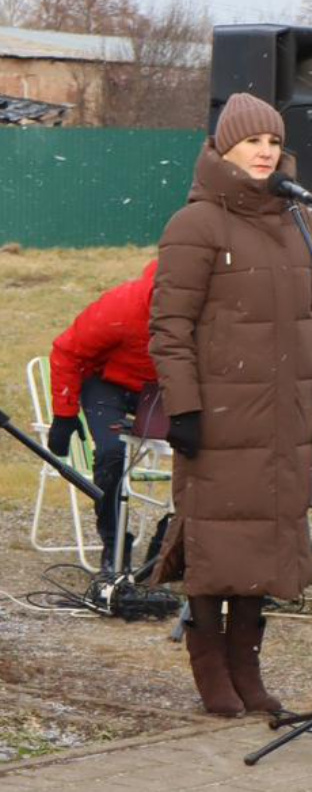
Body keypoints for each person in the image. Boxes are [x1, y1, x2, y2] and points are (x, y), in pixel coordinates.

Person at [149, 91, 312, 717]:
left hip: (284, 419)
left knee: (267, 544)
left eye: (274, 141)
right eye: (252, 141)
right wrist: (184, 409)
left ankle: (247, 667)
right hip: (220, 417)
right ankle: (210, 666)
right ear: (224, 148)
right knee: (215, 542)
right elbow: (169, 327)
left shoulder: (296, 220)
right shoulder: (196, 224)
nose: (266, 152)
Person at [44, 260, 159, 576]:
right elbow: (67, 351)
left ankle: (169, 542)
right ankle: (114, 542)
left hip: (165, 386)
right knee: (111, 454)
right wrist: (64, 415)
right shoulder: (122, 306)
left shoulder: (212, 309)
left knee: (207, 456)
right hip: (108, 385)